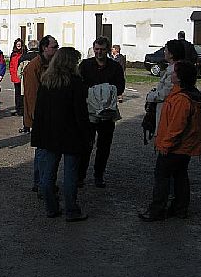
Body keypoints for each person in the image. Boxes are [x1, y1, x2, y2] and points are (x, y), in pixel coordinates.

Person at [139, 60, 201, 221]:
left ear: (180, 77)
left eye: (174, 73)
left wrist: (165, 145)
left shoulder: (182, 99)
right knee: (180, 176)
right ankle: (180, 208)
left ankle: (157, 210)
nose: (171, 75)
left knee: (162, 177)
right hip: (184, 146)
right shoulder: (182, 93)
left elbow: (177, 126)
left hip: (176, 147)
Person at [32, 47, 90, 221]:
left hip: (50, 133)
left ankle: (51, 207)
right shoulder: (75, 82)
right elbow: (81, 112)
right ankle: (71, 210)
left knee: (48, 173)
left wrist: (38, 133)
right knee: (70, 174)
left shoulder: (46, 81)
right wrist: (86, 134)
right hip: (71, 133)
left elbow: (39, 111)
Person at [78, 36, 125, 188]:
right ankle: (80, 176)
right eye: (96, 49)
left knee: (104, 146)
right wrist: (94, 92)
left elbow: (121, 87)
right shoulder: (85, 65)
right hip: (90, 111)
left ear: (108, 50)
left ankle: (99, 175)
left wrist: (106, 92)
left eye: (102, 50)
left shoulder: (115, 67)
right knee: (85, 145)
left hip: (107, 113)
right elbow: (79, 85)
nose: (99, 52)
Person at [22, 35, 59, 192]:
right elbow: (32, 95)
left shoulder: (53, 64)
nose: (56, 49)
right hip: (41, 117)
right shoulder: (34, 67)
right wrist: (37, 118)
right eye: (54, 46)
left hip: (51, 115)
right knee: (43, 151)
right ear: (45, 48)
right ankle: (40, 183)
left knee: (48, 151)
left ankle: (46, 181)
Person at [146, 39, 186, 134]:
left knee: (164, 135)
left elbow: (166, 93)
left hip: (168, 111)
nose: (164, 52)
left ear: (171, 54)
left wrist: (150, 96)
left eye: (166, 50)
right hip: (167, 109)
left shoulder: (175, 71)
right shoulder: (173, 68)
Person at [9, 38, 27, 117]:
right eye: (17, 44)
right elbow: (11, 65)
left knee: (23, 94)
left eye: (20, 44)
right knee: (17, 94)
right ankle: (18, 109)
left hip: (23, 76)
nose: (18, 46)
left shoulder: (24, 54)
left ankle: (23, 109)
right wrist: (12, 73)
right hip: (15, 77)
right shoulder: (13, 54)